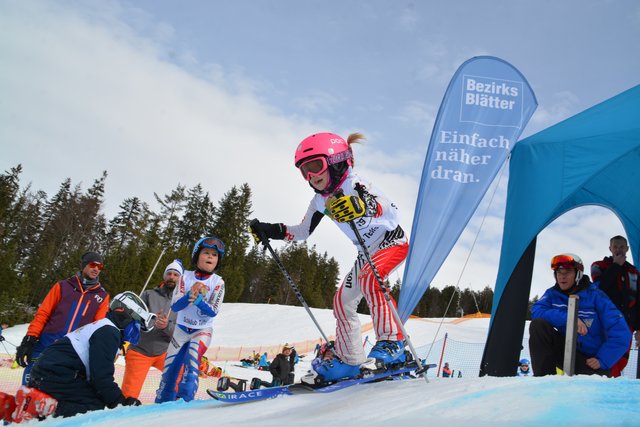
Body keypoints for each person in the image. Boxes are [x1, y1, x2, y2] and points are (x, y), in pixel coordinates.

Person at [250, 132, 408, 383]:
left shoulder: (356, 184)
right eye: (304, 171)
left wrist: (362, 205)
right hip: (366, 252)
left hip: (391, 241)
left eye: (315, 166)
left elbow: (391, 212)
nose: (311, 176)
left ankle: (392, 343)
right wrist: (269, 230)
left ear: (336, 161)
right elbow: (302, 232)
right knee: (341, 301)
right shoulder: (319, 201)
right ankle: (350, 359)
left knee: (369, 280)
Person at [4, 292, 154, 420]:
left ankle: (26, 404)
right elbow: (101, 377)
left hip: (49, 373)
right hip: (55, 375)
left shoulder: (104, 327)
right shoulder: (109, 332)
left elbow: (96, 377)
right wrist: (121, 403)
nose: (135, 332)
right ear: (124, 314)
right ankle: (40, 412)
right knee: (92, 409)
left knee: (96, 399)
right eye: (136, 325)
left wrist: (116, 400)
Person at [15, 251, 110, 385]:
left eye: (100, 267)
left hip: (72, 350)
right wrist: (30, 338)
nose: (96, 269)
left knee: (56, 393)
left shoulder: (102, 296)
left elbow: (98, 329)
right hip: (47, 343)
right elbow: (43, 313)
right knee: (30, 386)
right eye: (93, 264)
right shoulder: (63, 286)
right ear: (84, 265)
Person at [529, 253, 631, 377]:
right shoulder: (552, 294)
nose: (562, 276)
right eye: (559, 272)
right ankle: (545, 381)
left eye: (567, 272)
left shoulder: (596, 296)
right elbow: (537, 311)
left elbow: (621, 332)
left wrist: (602, 360)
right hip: (566, 352)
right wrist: (569, 319)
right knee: (538, 325)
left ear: (578, 274)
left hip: (590, 363)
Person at [155, 237, 225, 403]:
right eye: (206, 253)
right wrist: (189, 296)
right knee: (169, 372)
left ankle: (185, 405)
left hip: (201, 331)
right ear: (196, 255)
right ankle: (160, 406)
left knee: (191, 367)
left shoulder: (218, 282)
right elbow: (176, 306)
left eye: (214, 255)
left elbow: (213, 311)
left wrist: (199, 300)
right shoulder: (185, 277)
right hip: (180, 330)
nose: (210, 257)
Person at [121, 259, 183, 399]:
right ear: (164, 276)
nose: (172, 277)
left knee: (179, 381)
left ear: (180, 279)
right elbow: (133, 318)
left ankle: (174, 411)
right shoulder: (149, 294)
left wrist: (166, 326)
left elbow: (181, 333)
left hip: (165, 352)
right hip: (140, 349)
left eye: (175, 274)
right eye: (169, 273)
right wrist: (147, 321)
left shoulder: (182, 302)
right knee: (128, 395)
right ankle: (124, 414)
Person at [591, 235, 640, 377]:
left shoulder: (635, 272)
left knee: (621, 358)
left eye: (622, 247)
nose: (619, 249)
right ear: (610, 249)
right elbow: (599, 289)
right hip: (605, 322)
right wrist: (615, 265)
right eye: (615, 247)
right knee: (605, 355)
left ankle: (614, 389)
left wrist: (638, 328)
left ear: (627, 249)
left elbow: (638, 300)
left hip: (628, 323)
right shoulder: (598, 266)